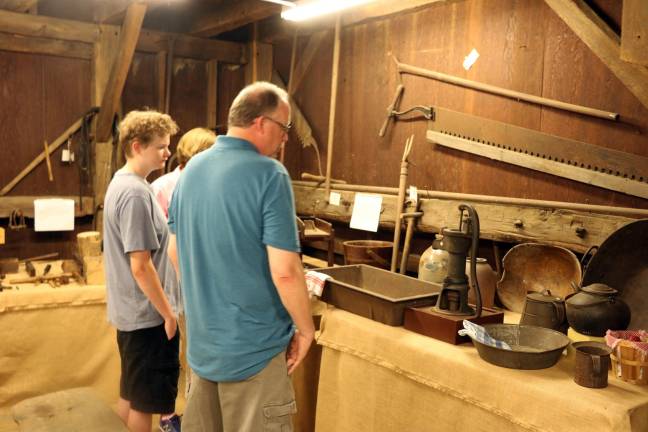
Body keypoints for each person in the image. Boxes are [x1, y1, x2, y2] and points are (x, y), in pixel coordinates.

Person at [167, 81, 315, 432]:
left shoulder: (190, 173)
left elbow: (175, 253)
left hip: (203, 351)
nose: (286, 139)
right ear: (261, 123)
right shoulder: (270, 175)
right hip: (255, 354)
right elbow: (285, 272)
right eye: (285, 128)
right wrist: (305, 329)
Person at [103, 110, 182, 432]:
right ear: (137, 146)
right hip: (147, 317)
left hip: (134, 314)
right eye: (161, 147)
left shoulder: (128, 184)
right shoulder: (135, 192)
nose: (167, 153)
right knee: (145, 403)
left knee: (133, 394)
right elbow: (140, 265)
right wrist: (167, 313)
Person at [151, 127, 217, 404]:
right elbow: (161, 247)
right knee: (176, 357)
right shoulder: (164, 189)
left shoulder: (207, 184)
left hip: (195, 285)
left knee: (194, 356)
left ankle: (187, 410)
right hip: (176, 284)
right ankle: (175, 412)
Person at [151, 127, 217, 217]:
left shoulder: (215, 185)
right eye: (213, 154)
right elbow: (156, 228)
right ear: (197, 154)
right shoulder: (162, 187)